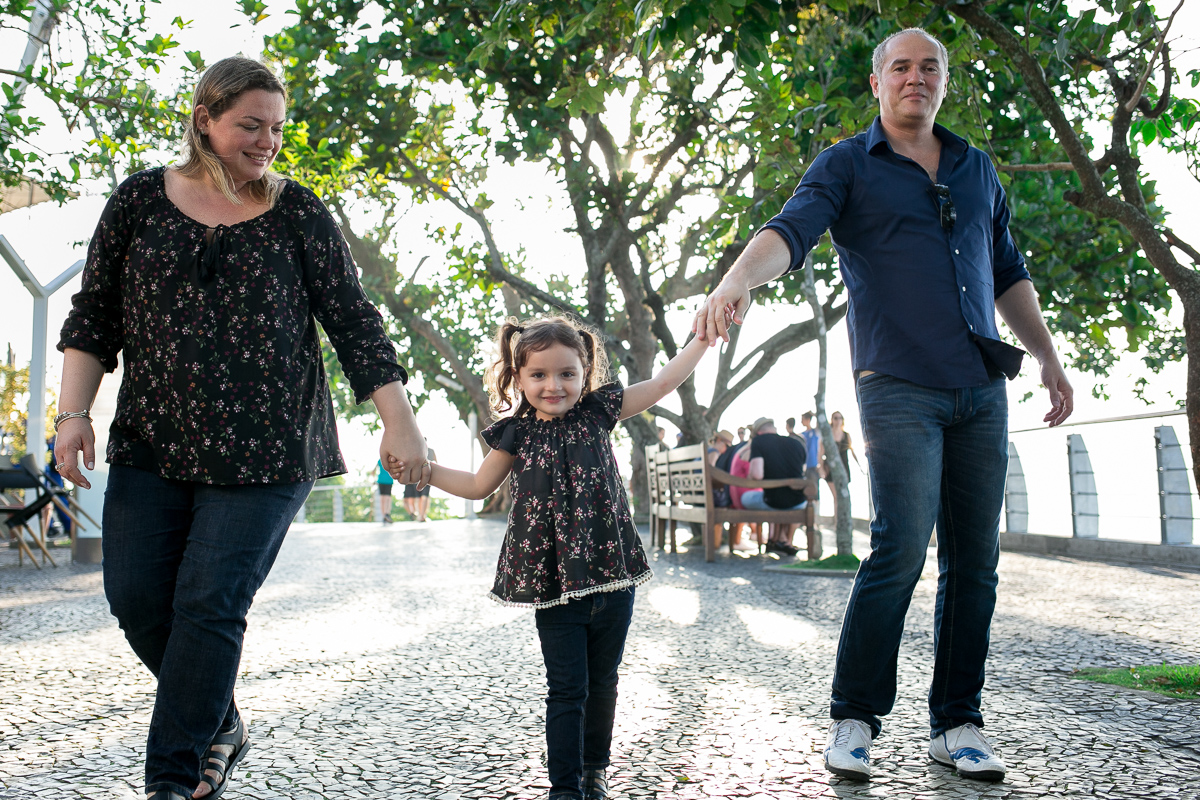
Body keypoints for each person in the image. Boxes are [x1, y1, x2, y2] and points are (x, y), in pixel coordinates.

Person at [693, 28, 1073, 784]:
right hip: (897, 385)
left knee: (977, 561)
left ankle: (958, 723)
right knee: (899, 548)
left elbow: (1008, 271)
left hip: (980, 386)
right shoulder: (846, 164)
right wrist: (737, 280)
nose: (915, 78)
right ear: (877, 83)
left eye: (930, 67)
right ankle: (855, 719)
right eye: (900, 66)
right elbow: (790, 233)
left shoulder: (976, 169)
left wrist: (1049, 357)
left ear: (943, 83)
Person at [52, 57, 427, 800]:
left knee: (209, 602)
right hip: (152, 442)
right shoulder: (137, 202)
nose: (266, 142)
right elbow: (93, 318)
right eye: (250, 125)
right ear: (205, 120)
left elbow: (354, 323)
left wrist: (402, 426)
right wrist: (71, 416)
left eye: (277, 128)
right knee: (135, 599)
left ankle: (174, 778)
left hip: (270, 447)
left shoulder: (298, 212)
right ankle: (221, 719)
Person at [413, 315, 711, 800]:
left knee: (604, 683)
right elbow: (474, 486)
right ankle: (564, 787)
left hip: (614, 579)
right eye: (539, 375)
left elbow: (662, 382)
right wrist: (425, 469)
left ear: (585, 370)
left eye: (566, 373)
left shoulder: (600, 410)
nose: (554, 385)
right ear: (518, 376)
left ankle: (595, 770)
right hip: (553, 587)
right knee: (567, 688)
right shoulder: (515, 433)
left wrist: (703, 338)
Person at [737, 418, 808, 556]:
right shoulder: (796, 443)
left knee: (746, 497)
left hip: (774, 502)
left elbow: (757, 475)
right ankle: (780, 540)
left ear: (758, 432)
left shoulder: (759, 441)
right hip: (799, 502)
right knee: (782, 498)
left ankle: (776, 540)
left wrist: (751, 474)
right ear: (774, 428)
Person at [822, 411, 860, 524]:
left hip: (844, 469)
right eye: (835, 418)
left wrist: (860, 465)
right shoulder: (828, 436)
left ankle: (843, 521)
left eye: (840, 418)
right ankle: (837, 522)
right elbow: (821, 453)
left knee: (843, 497)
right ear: (832, 420)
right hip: (831, 470)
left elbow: (852, 451)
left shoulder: (846, 435)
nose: (838, 420)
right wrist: (821, 468)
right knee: (836, 497)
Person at [403, 442, 438, 521]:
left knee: (424, 497)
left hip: (428, 477)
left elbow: (436, 462)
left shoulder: (431, 451)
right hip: (417, 478)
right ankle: (420, 515)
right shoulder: (415, 451)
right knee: (419, 498)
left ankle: (422, 515)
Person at [377, 458, 394, 523]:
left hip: (382, 480)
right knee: (387, 498)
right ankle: (386, 514)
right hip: (387, 480)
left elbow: (373, 471)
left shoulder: (380, 460)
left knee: (383, 498)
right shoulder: (391, 459)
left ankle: (384, 515)